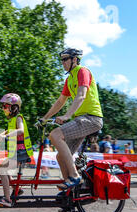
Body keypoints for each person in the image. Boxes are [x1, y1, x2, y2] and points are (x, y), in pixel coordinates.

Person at [40, 48, 103, 193]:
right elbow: (60, 101)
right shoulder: (69, 79)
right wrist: (45, 118)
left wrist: (67, 115)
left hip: (92, 118)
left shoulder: (82, 71)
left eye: (65, 59)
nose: (62, 63)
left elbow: (81, 95)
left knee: (55, 135)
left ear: (74, 59)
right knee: (60, 156)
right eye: (61, 60)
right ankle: (70, 195)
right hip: (81, 119)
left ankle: (74, 176)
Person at [0, 93, 34, 207]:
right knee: (4, 168)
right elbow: (7, 131)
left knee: (2, 169)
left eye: (5, 106)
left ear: (13, 107)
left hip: (22, 152)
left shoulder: (19, 117)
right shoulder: (11, 120)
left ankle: (7, 199)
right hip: (17, 152)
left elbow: (21, 130)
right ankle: (17, 189)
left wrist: (6, 136)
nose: (3, 109)